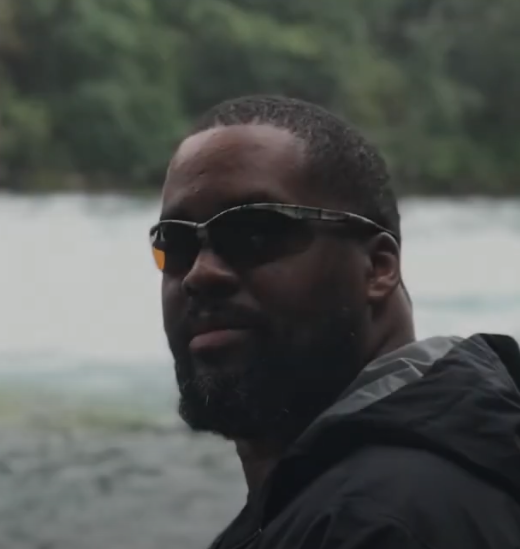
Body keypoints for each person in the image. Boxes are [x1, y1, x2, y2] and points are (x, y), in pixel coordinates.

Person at [151, 94, 520, 548]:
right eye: (175, 243)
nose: (200, 274)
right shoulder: (329, 499)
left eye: (255, 232)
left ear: (379, 268)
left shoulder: (384, 522)